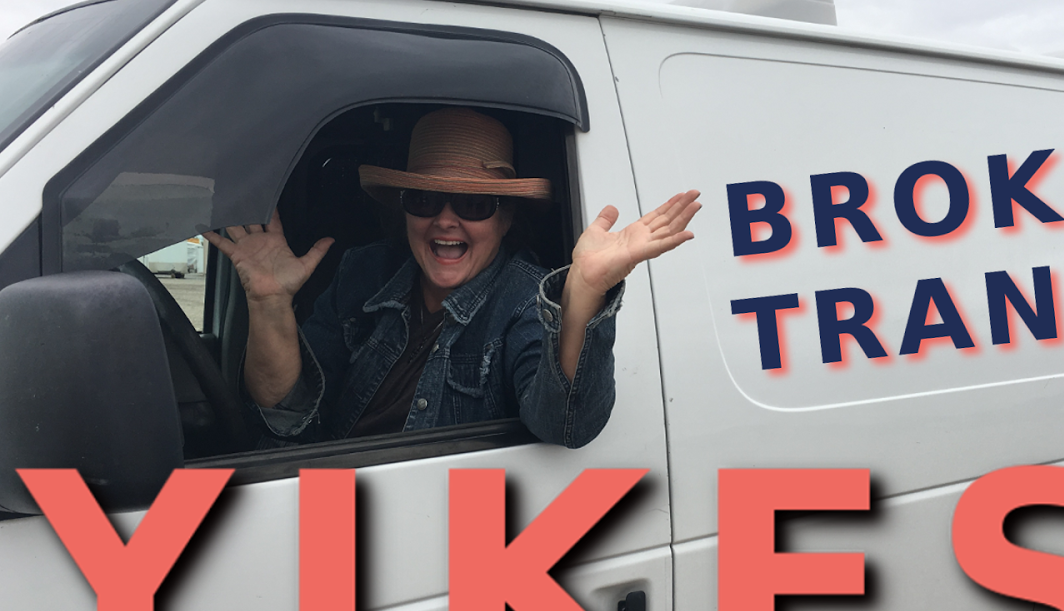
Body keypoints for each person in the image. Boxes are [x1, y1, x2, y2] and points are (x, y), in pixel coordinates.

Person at [203, 108, 700, 448]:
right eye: (423, 200)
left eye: (473, 204)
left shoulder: (523, 298)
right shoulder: (363, 273)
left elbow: (564, 425)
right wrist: (268, 302)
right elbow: (286, 417)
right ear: (404, 213)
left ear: (505, 220)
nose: (445, 220)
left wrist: (584, 292)